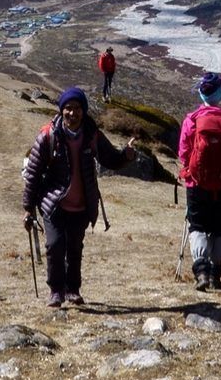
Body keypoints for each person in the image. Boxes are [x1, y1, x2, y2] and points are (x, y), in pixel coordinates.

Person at [21, 86, 137, 307]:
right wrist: (28, 207)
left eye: (77, 109)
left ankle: (73, 290)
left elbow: (110, 158)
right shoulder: (48, 135)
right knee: (55, 246)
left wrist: (126, 156)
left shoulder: (92, 134)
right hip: (54, 204)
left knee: (75, 248)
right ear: (61, 110)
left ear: (83, 111)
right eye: (68, 108)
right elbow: (33, 172)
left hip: (81, 205)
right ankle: (56, 291)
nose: (72, 113)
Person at [177, 72, 221, 291]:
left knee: (198, 225)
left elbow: (184, 152)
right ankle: (216, 272)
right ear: (220, 93)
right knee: (219, 227)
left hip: (197, 184)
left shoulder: (192, 120)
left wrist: (188, 170)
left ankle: (201, 270)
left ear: (201, 93)